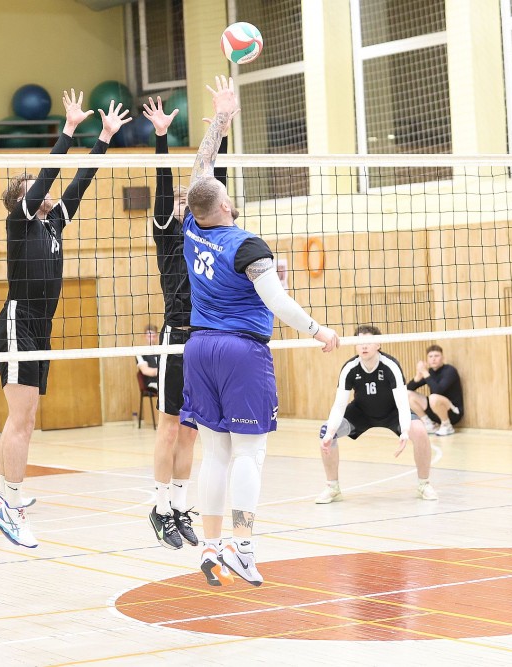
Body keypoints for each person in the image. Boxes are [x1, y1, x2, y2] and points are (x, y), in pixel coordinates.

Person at [181, 75, 339, 587]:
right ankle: (243, 546)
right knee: (249, 453)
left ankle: (210, 545)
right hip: (240, 351)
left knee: (215, 453)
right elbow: (277, 302)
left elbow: (201, 170)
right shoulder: (247, 244)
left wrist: (221, 121)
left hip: (198, 347)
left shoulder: (191, 226)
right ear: (225, 206)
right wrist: (318, 330)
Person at [0, 90, 130, 548]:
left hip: (40, 329)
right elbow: (49, 175)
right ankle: (9, 504)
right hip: (17, 323)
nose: (44, 192)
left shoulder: (53, 223)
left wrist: (103, 138)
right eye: (34, 189)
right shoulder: (21, 222)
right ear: (22, 200)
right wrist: (67, 130)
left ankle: (6, 495)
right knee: (21, 420)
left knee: (26, 421)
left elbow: (79, 183)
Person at [142, 96, 230, 551]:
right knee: (170, 425)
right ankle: (159, 508)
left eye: (186, 202)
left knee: (192, 431)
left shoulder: (208, 233)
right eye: (176, 202)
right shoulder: (167, 233)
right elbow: (164, 186)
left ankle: (178, 506)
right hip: (176, 336)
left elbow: (216, 186)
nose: (180, 205)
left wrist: (223, 135)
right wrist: (161, 137)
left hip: (206, 339)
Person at [317, 326, 438, 505]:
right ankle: (332, 487)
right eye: (360, 342)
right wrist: (329, 434)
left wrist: (405, 431)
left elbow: (402, 403)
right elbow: (339, 405)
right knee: (326, 431)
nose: (364, 346)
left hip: (392, 412)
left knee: (419, 431)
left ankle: (424, 484)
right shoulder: (350, 368)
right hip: (361, 413)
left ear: (378, 344)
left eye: (368, 341)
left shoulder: (390, 366)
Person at [406, 344, 464, 436]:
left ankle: (447, 426)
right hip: (435, 412)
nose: (433, 359)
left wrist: (425, 372)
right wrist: (417, 377)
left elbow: (438, 391)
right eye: (430, 356)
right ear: (427, 359)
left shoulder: (450, 371)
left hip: (453, 413)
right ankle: (429, 424)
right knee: (407, 394)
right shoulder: (430, 372)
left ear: (443, 358)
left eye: (436, 356)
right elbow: (408, 389)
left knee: (433, 397)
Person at [135, 324, 159, 394]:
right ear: (145, 336)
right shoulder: (140, 352)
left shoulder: (161, 350)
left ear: (157, 336)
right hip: (151, 384)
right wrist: (163, 371)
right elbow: (145, 371)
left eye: (153, 336)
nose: (151, 339)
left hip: (164, 380)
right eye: (149, 336)